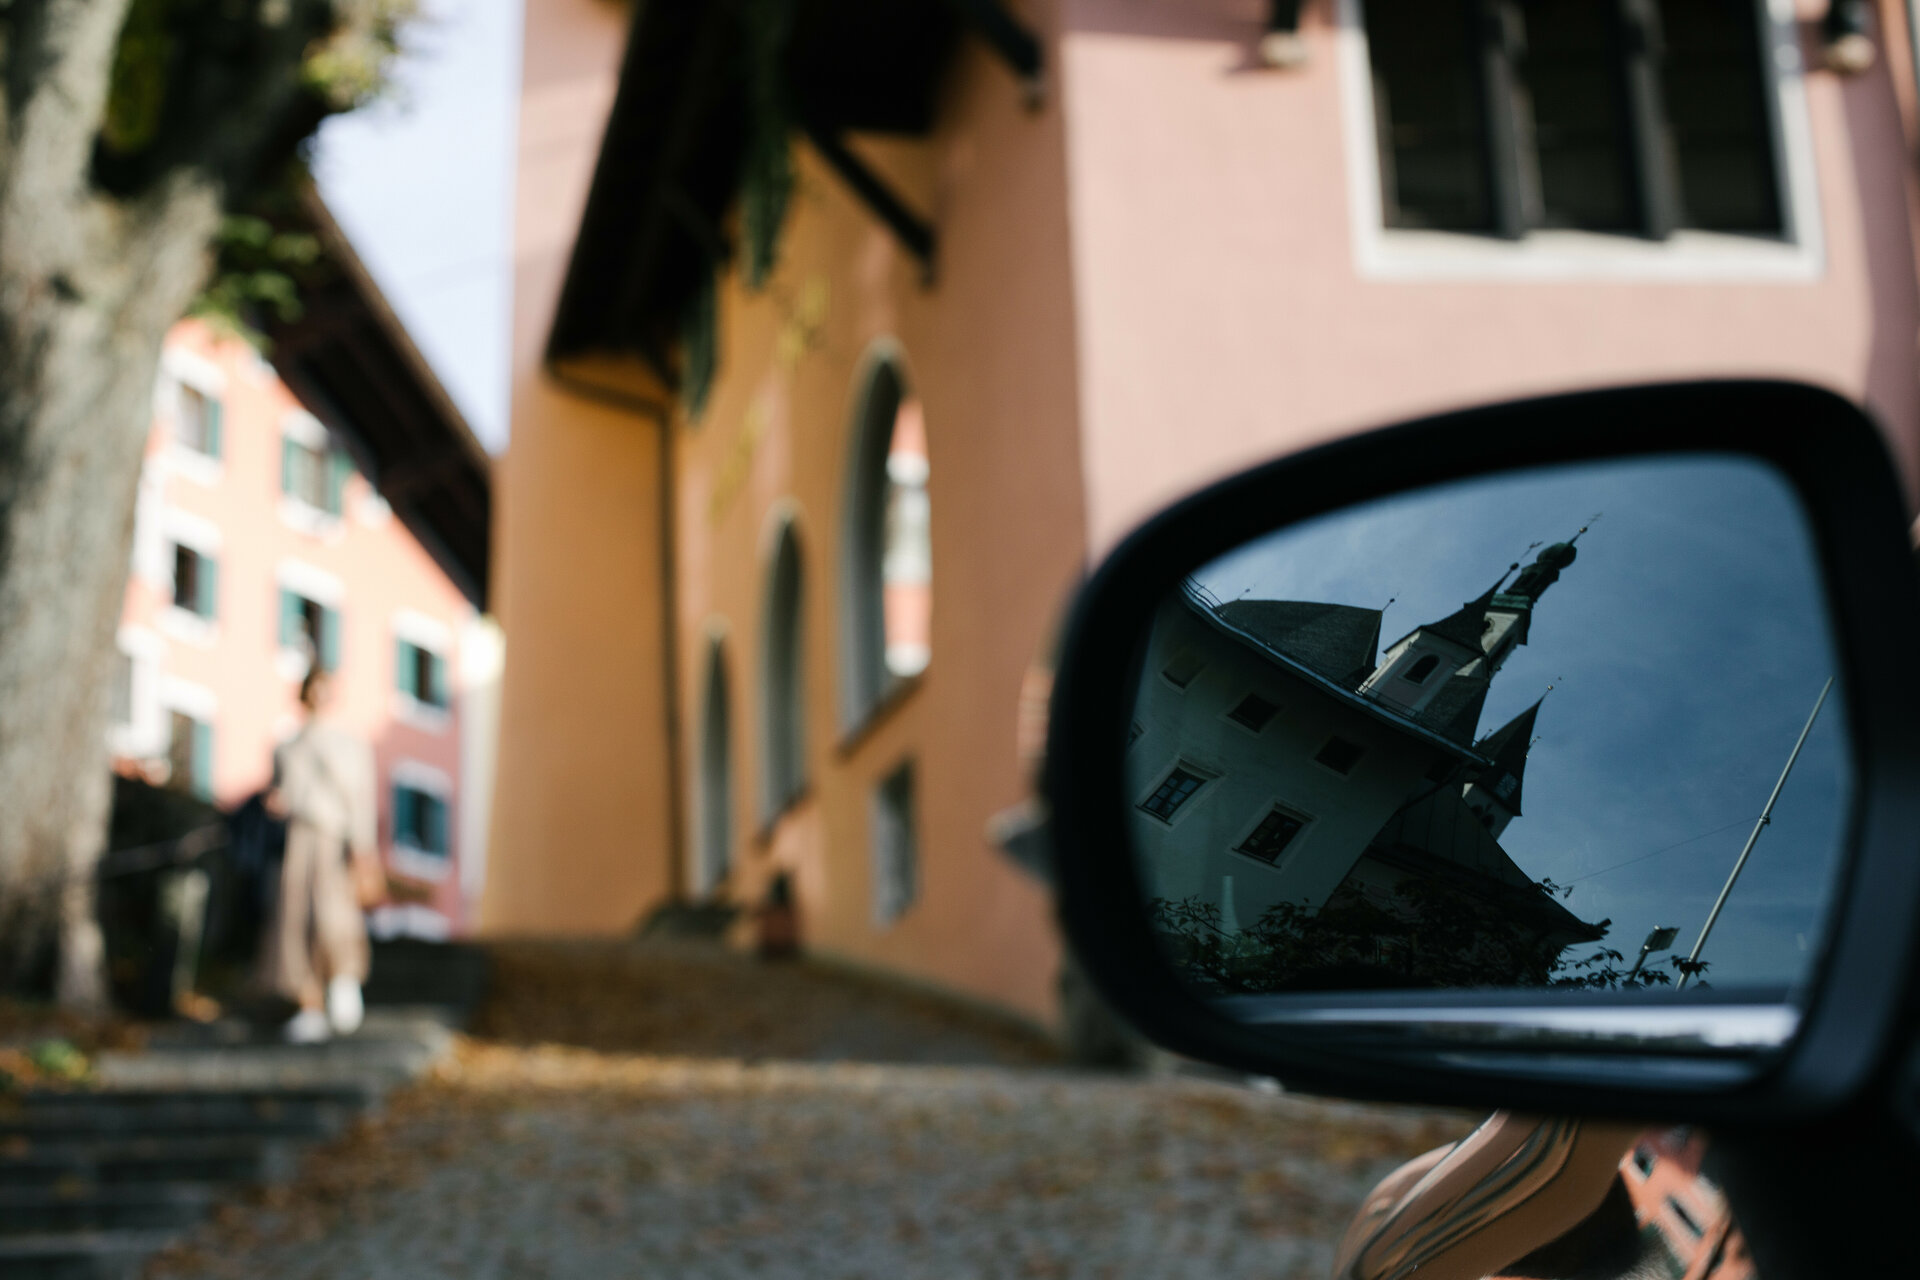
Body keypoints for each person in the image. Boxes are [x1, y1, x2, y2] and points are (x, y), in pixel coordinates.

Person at [259, 664, 381, 1043]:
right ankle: (308, 1004)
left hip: (335, 839)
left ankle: (344, 981)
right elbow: (283, 795)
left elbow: (362, 800)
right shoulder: (286, 747)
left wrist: (364, 847)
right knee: (295, 920)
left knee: (336, 914)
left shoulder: (350, 745)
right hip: (298, 839)